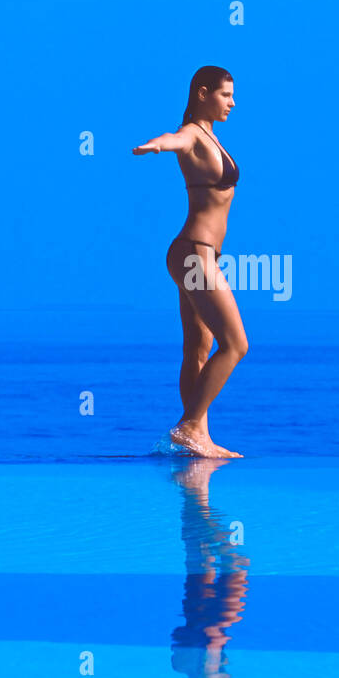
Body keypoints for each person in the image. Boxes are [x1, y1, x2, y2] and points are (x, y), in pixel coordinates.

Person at [133, 66, 248, 458]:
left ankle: (200, 436)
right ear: (202, 93)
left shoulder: (213, 137)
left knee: (200, 347)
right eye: (225, 95)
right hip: (195, 253)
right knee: (235, 344)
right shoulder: (194, 136)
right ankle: (188, 427)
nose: (232, 102)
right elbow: (175, 139)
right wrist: (155, 145)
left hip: (195, 253)